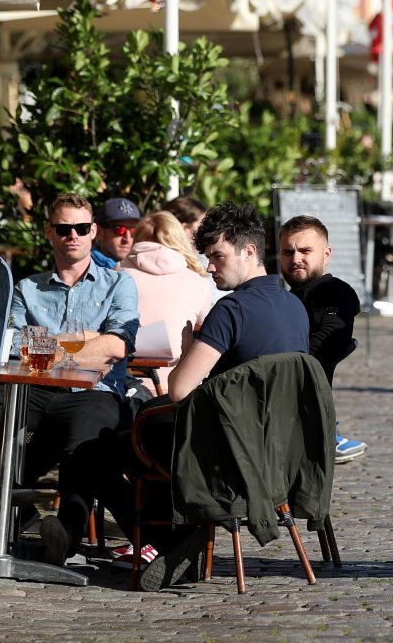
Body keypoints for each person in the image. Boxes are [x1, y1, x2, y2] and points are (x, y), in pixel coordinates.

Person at [137, 202, 311, 588]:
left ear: (249, 252)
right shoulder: (294, 307)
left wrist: (188, 350)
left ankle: (180, 537)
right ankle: (188, 533)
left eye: (217, 256)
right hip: (280, 451)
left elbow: (180, 390)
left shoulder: (230, 311)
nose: (210, 266)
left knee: (130, 435)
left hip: (229, 454)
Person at [0, 193, 139, 567]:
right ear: (50, 232)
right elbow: (12, 343)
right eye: (64, 228)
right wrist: (84, 343)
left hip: (95, 392)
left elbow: (115, 345)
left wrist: (51, 348)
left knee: (82, 447)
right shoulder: (28, 287)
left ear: (93, 232)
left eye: (81, 228)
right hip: (34, 389)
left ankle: (64, 533)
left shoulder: (118, 284)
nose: (73, 235)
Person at [278, 215, 367, 463]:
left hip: (297, 407)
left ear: (326, 254)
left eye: (305, 250)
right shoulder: (280, 296)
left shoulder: (335, 294)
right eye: (288, 252)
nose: (295, 259)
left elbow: (327, 343)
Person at [118, 211, 217, 395]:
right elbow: (204, 327)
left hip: (125, 387)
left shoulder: (116, 275)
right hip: (178, 389)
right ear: (178, 239)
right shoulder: (196, 281)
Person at [91, 197, 141, 269]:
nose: (127, 239)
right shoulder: (80, 267)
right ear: (98, 232)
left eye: (133, 231)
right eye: (120, 230)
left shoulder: (139, 269)